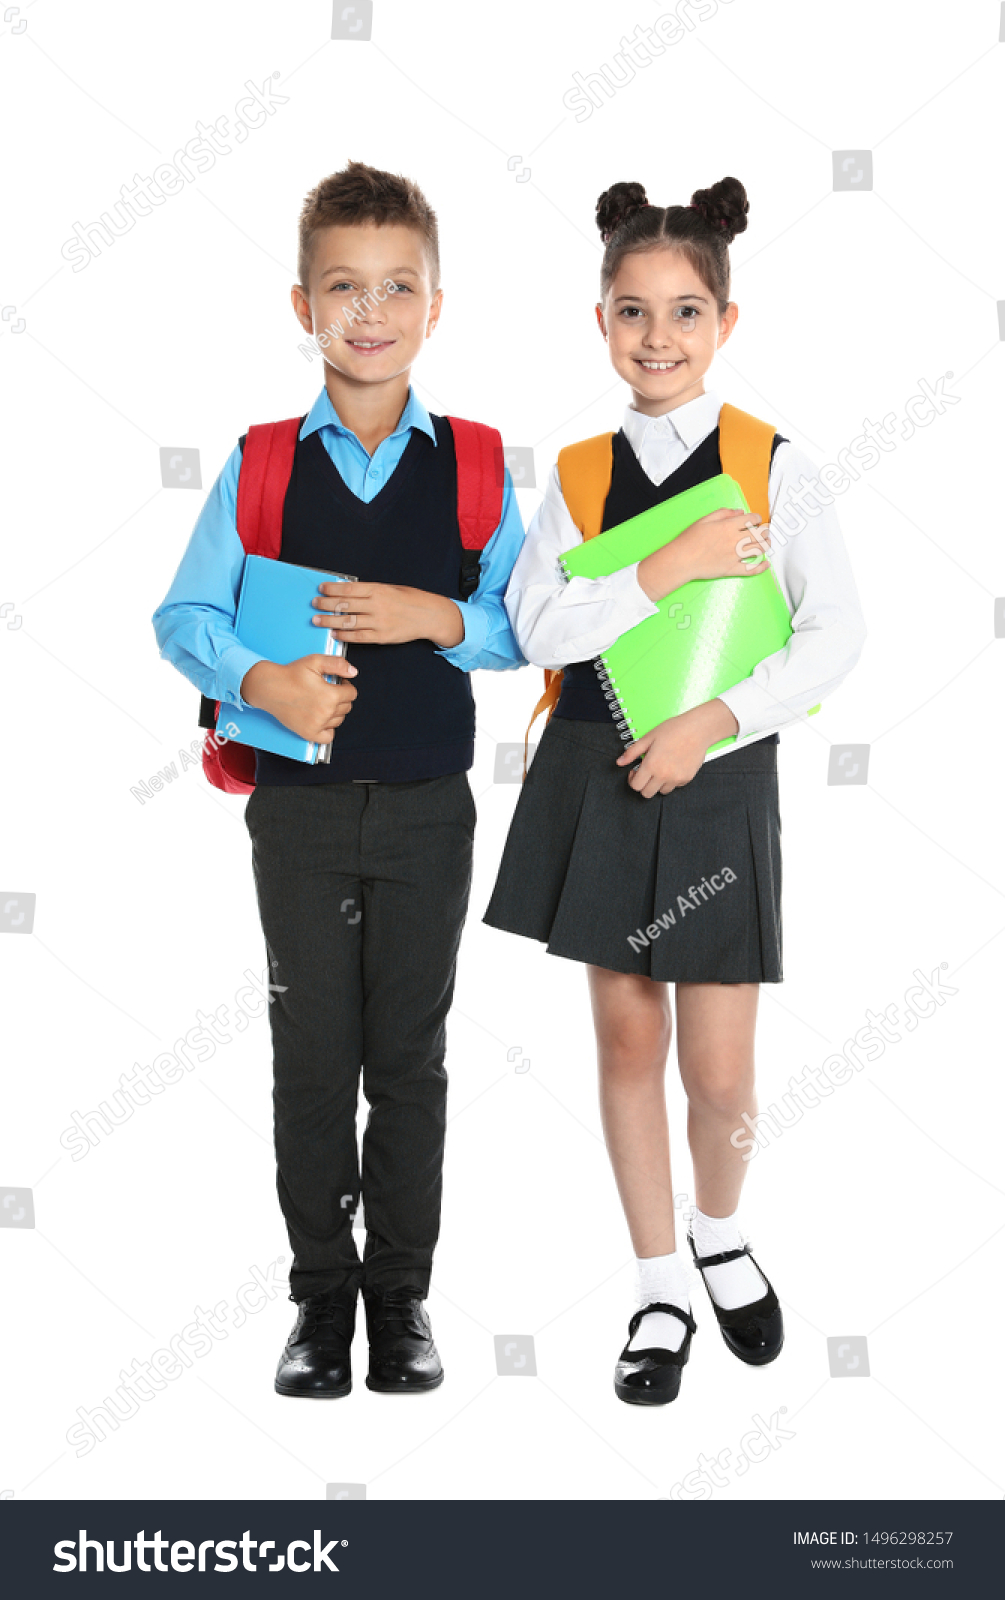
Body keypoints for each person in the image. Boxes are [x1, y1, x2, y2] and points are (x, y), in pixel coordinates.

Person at [484, 176, 866, 1405]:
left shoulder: (771, 461)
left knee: (718, 1069)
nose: (659, 338)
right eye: (634, 312)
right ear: (599, 322)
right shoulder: (584, 471)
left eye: (686, 312)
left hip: (714, 769)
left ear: (726, 322)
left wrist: (713, 719)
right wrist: (664, 567)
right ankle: (656, 1282)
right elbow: (540, 624)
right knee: (627, 1035)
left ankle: (721, 1229)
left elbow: (835, 636)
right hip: (597, 763)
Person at [153, 161, 525, 1399]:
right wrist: (263, 683)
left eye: (398, 286)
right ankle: (320, 1305)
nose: (371, 311)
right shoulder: (260, 464)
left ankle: (400, 1299)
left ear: (436, 305)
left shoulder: (475, 466)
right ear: (301, 305)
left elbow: (522, 626)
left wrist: (435, 614)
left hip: (430, 808)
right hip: (299, 814)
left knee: (407, 1058)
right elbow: (184, 615)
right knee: (311, 1052)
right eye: (344, 287)